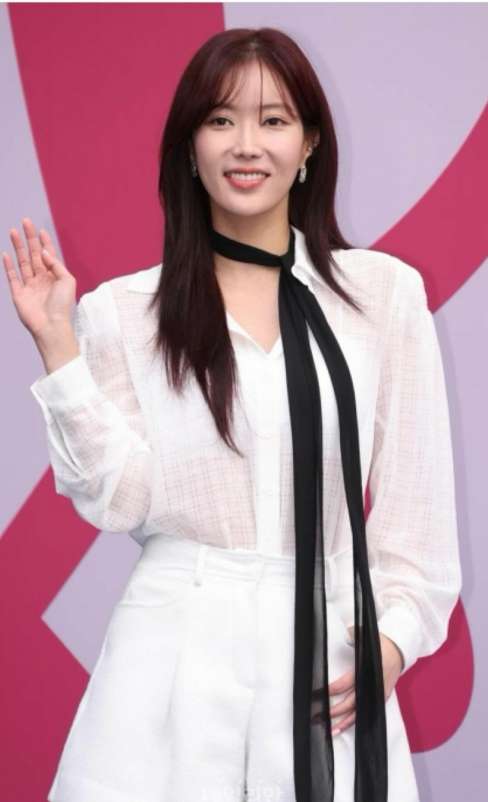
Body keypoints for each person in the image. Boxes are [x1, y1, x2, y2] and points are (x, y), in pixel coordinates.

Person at [3, 27, 461, 802]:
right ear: (190, 147)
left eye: (272, 120)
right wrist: (58, 345)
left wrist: (391, 642)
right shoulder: (125, 311)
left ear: (309, 143)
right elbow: (120, 501)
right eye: (220, 120)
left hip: (324, 665)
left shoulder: (381, 297)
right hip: (169, 662)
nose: (246, 144)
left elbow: (417, 517)